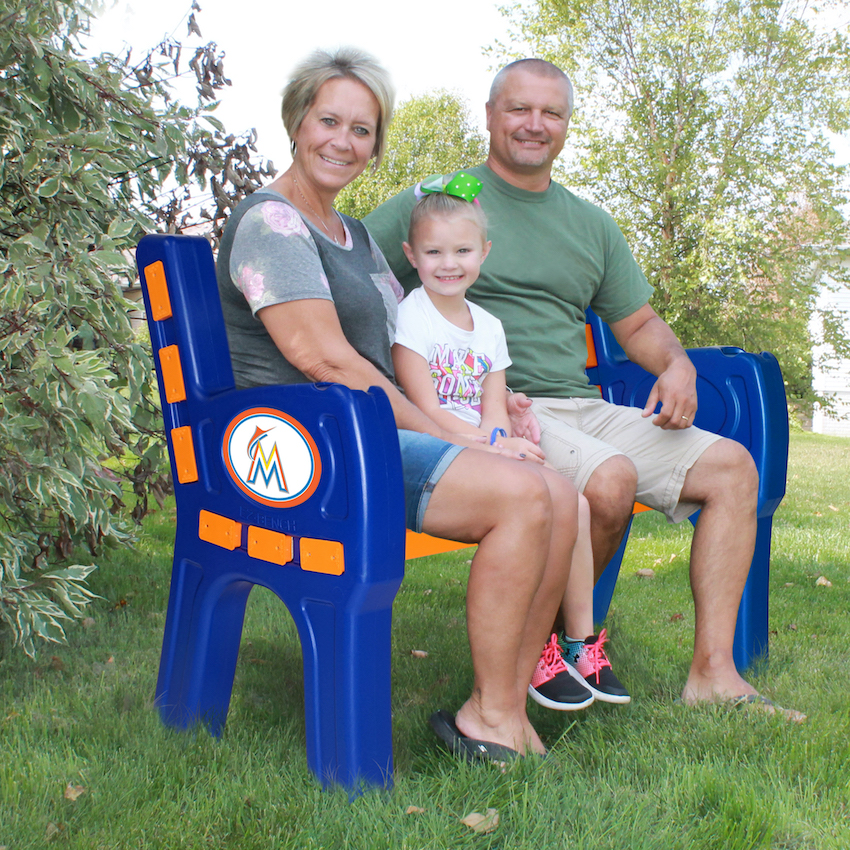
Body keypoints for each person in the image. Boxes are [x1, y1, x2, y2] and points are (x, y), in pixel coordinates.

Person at [365, 58, 805, 721]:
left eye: (552, 113)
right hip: (500, 408)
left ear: (567, 126)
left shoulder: (589, 223)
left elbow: (638, 322)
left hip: (585, 405)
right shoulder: (442, 204)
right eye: (519, 109)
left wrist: (676, 364)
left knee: (732, 470)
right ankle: (552, 650)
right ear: (490, 116)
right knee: (608, 481)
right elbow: (351, 269)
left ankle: (713, 673)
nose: (534, 125)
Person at [215, 46, 587, 761]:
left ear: (376, 145)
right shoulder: (272, 223)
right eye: (329, 120)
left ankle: (499, 705)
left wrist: (492, 408)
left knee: (559, 492)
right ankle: (496, 714)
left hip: (365, 430)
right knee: (521, 496)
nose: (343, 141)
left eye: (362, 129)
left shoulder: (352, 236)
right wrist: (463, 440)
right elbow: (324, 358)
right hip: (305, 446)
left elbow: (404, 352)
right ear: (297, 122)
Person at [391, 174, 629, 708]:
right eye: (433, 251)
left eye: (462, 250)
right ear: (411, 254)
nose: (448, 263)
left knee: (576, 501)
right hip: (443, 446)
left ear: (484, 252)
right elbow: (425, 408)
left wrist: (504, 439)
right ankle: (534, 653)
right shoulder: (412, 316)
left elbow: (493, 402)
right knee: (538, 497)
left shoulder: (490, 327)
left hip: (486, 444)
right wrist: (494, 447)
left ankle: (578, 642)